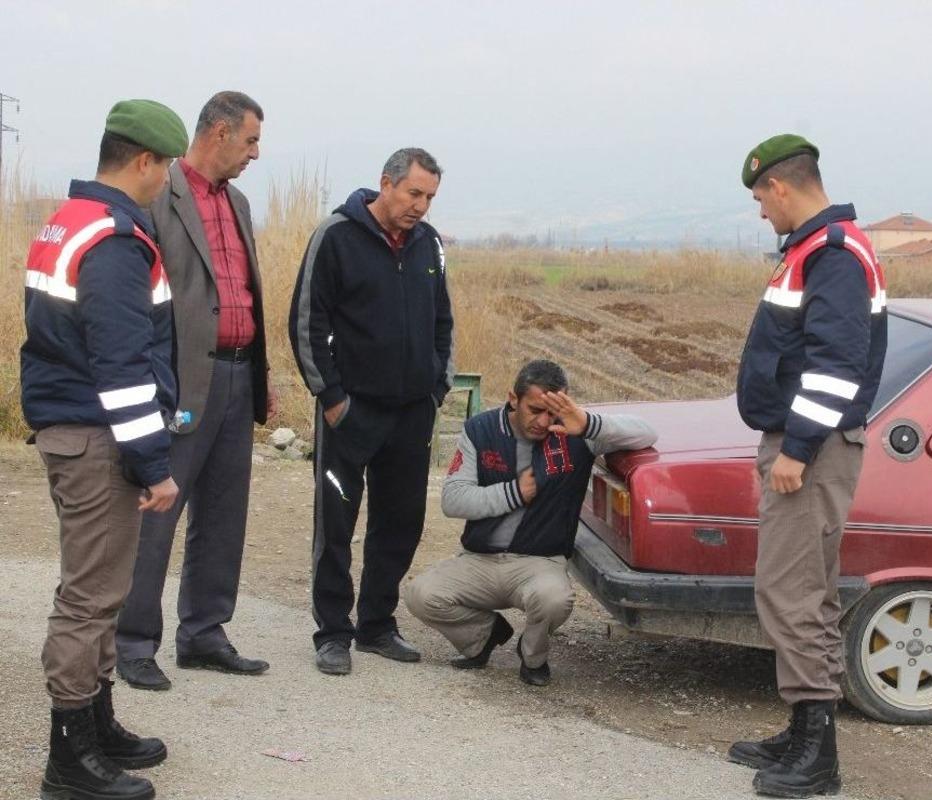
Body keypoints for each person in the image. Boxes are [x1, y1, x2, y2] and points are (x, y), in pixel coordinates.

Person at [21, 99, 188, 800]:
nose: (167, 181)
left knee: (100, 588)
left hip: (75, 426)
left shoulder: (70, 220)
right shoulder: (115, 239)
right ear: (144, 161)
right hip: (95, 436)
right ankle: (70, 757)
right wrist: (152, 463)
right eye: (167, 167)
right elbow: (121, 369)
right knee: (90, 597)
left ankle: (98, 721)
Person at [727, 134, 887, 798]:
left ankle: (816, 754)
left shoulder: (833, 254)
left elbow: (836, 365)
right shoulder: (816, 249)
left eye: (762, 199)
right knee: (807, 593)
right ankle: (803, 728)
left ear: (782, 188)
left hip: (812, 451)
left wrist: (795, 447)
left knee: (787, 593)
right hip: (808, 445)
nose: (762, 212)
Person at [116, 91, 272, 691]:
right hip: (180, 379)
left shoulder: (238, 201)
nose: (255, 154)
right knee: (159, 510)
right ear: (219, 131)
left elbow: (243, 291)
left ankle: (205, 632)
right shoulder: (160, 195)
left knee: (224, 512)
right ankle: (132, 642)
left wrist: (261, 374)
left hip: (236, 375)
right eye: (251, 140)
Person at [289, 147, 453, 675]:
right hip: (351, 412)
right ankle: (333, 632)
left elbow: (443, 323)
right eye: (414, 193)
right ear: (386, 182)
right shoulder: (335, 236)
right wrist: (332, 400)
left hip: (412, 413)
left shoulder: (429, 244)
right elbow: (306, 323)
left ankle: (377, 625)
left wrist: (436, 391)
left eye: (429, 197)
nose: (421, 206)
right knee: (336, 521)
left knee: (400, 521)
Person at [405, 360, 657, 686]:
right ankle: (483, 636)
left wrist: (587, 424)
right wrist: (513, 493)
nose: (543, 422)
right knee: (420, 595)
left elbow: (647, 432)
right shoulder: (479, 430)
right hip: (480, 560)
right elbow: (453, 500)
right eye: (535, 409)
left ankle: (532, 656)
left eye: (551, 413)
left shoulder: (575, 432)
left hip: (540, 562)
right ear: (513, 398)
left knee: (555, 600)